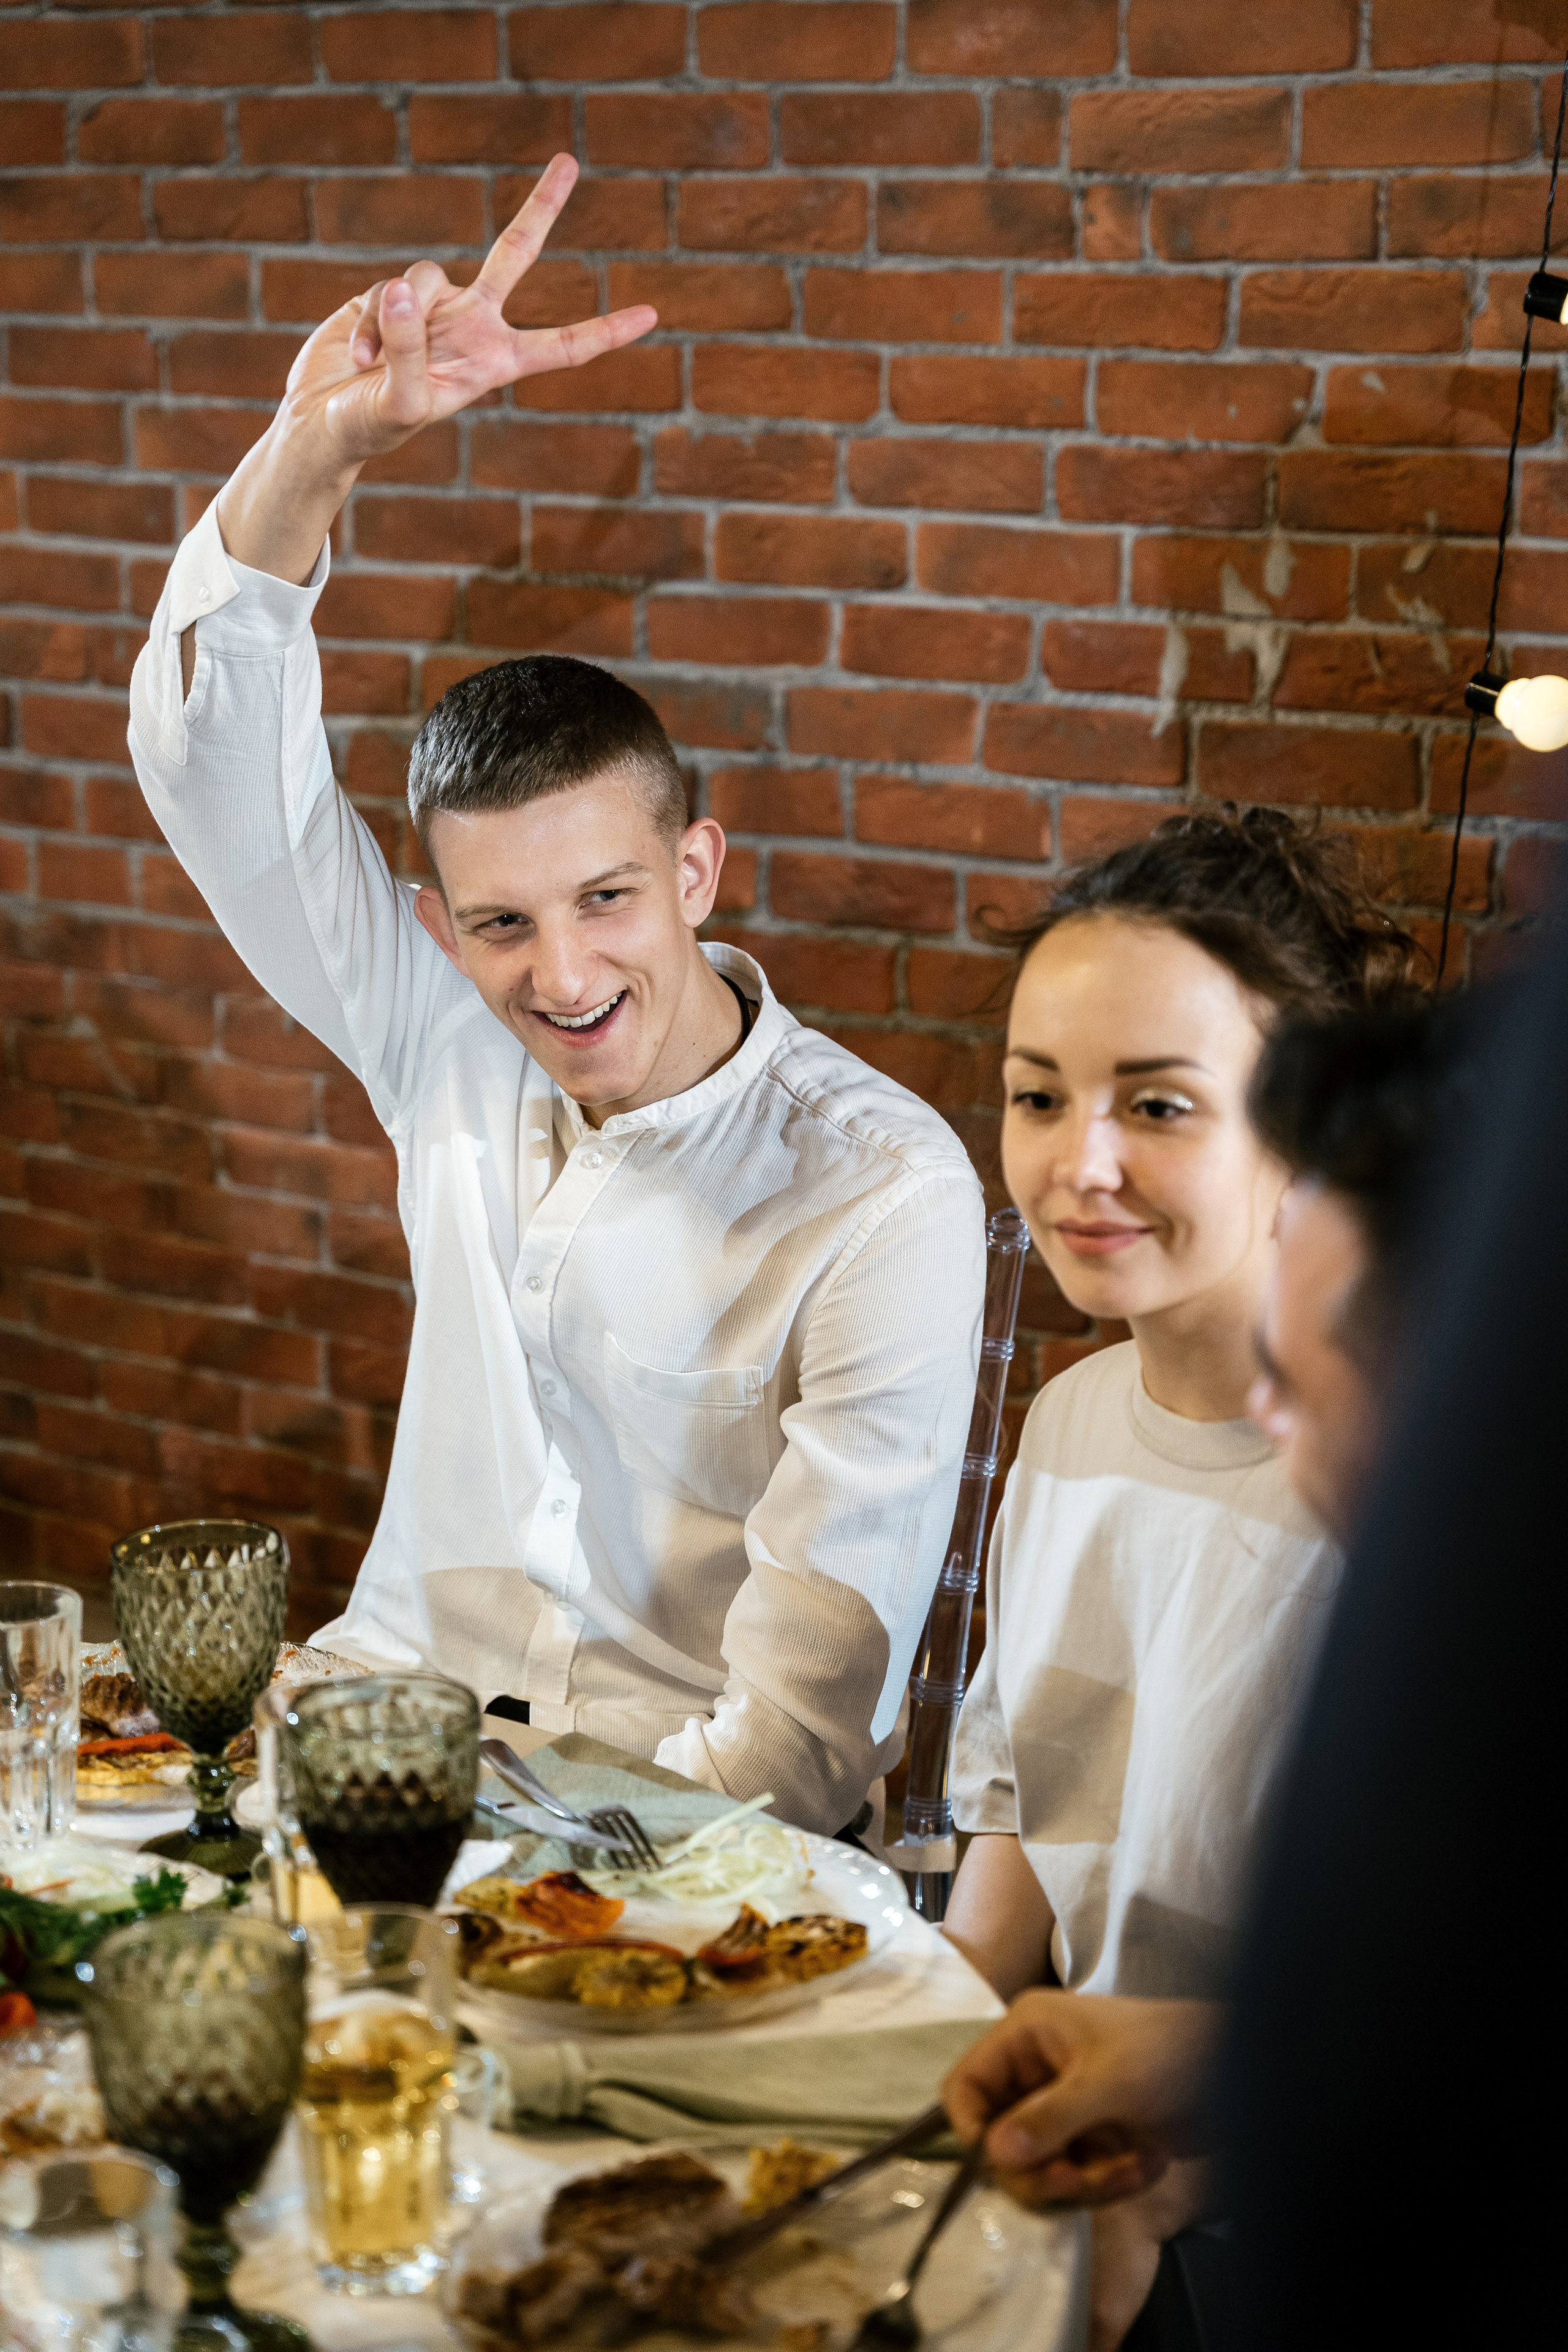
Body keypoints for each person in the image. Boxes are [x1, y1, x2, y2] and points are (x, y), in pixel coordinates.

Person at [126, 157, 986, 1838]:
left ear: (695, 871)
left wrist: (542, 1852)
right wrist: (317, 451)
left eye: (606, 899)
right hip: (374, 1731)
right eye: (502, 925)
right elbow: (214, 774)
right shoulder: (442, 1031)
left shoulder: (883, 1193)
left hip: (659, 1837)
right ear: (439, 933)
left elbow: (799, 1746)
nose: (564, 975)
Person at [939, 810, 1418, 2347]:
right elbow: (1022, 1812)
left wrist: (1161, 2190)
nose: (1080, 1164)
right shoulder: (1070, 1418)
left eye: (1157, 1104)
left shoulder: (1395, 1476)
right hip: (1071, 2147)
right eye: (1037, 1096)